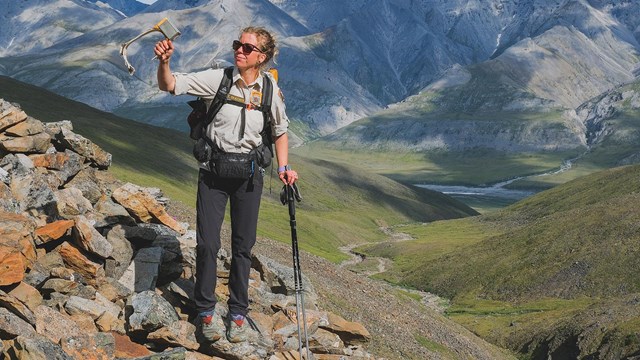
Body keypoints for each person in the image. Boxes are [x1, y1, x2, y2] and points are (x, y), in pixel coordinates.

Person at [154, 26, 299, 343]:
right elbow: (171, 85)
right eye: (238, 45)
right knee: (207, 244)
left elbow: (280, 131)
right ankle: (205, 312)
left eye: (247, 48)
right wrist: (164, 62)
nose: (239, 51)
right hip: (213, 173)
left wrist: (286, 166)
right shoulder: (217, 79)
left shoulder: (269, 90)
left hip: (249, 176)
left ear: (261, 57)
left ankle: (237, 313)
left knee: (243, 248)